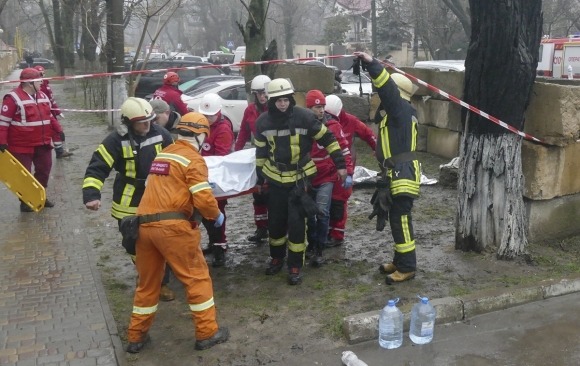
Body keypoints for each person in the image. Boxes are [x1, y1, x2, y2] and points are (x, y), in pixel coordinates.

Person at [125, 112, 229, 353]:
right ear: (202, 136)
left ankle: (136, 337)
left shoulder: (163, 154)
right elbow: (203, 198)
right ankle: (207, 333)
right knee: (197, 279)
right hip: (173, 228)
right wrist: (214, 214)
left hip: (143, 226)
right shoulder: (193, 159)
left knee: (148, 285)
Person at [254, 78, 348, 285]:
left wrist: (341, 165)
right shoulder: (262, 122)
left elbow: (329, 140)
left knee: (297, 225)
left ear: (291, 98)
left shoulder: (305, 118)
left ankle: (295, 265)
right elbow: (260, 153)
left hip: (299, 180)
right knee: (276, 224)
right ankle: (277, 258)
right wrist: (259, 179)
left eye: (286, 99)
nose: (283, 104)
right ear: (271, 101)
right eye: (278, 100)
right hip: (275, 180)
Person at [82, 97, 177, 300]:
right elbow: (97, 168)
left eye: (150, 119)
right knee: (134, 244)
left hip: (158, 196)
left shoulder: (162, 134)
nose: (147, 124)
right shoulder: (114, 141)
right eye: (142, 121)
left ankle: (160, 283)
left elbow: (176, 161)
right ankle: (145, 276)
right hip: (127, 200)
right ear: (128, 122)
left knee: (162, 241)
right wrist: (91, 195)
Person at [356, 52, 420, 284]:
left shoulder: (400, 109)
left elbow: (387, 90)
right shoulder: (401, 113)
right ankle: (400, 259)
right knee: (396, 218)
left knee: (400, 219)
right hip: (397, 172)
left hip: (402, 173)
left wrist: (372, 65)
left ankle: (407, 267)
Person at [0, 68, 63, 212]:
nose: (42, 82)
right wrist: (2, 141)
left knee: (44, 171)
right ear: (29, 83)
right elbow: (3, 123)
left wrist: (58, 130)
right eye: (38, 80)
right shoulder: (12, 98)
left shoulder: (42, 96)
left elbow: (50, 116)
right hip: (22, 146)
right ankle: (25, 200)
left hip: (43, 144)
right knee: (24, 175)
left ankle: (41, 196)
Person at [304, 90, 353, 266]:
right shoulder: (302, 127)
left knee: (322, 212)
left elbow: (344, 150)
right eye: (317, 107)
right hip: (308, 176)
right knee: (309, 214)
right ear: (309, 108)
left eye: (323, 107)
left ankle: (320, 248)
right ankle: (311, 244)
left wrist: (348, 171)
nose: (321, 110)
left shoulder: (333, 126)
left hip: (327, 177)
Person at [324, 95, 377, 247]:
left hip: (345, 170)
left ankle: (337, 234)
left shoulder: (351, 121)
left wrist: (380, 153)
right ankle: (326, 232)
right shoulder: (320, 122)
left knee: (339, 202)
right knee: (325, 203)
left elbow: (369, 135)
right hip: (326, 169)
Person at [198, 93, 234, 267]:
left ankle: (220, 246)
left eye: (210, 116)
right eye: (205, 116)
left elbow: (221, 157)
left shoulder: (223, 129)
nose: (207, 119)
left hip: (216, 177)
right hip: (201, 174)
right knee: (204, 213)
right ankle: (214, 242)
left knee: (216, 212)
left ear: (218, 112)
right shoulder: (201, 124)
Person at [234, 74, 271, 243]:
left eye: (264, 93)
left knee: (274, 194)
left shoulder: (276, 109)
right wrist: (236, 153)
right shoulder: (250, 110)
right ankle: (261, 227)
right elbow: (243, 132)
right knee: (258, 194)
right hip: (258, 154)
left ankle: (277, 227)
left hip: (275, 155)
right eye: (258, 93)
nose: (262, 96)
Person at [34, 65, 73, 159]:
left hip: (50, 112)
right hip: (42, 113)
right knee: (51, 132)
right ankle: (51, 152)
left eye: (43, 73)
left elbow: (51, 100)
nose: (42, 76)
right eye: (40, 74)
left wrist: (58, 111)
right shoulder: (37, 86)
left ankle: (59, 151)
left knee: (56, 131)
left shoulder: (46, 84)